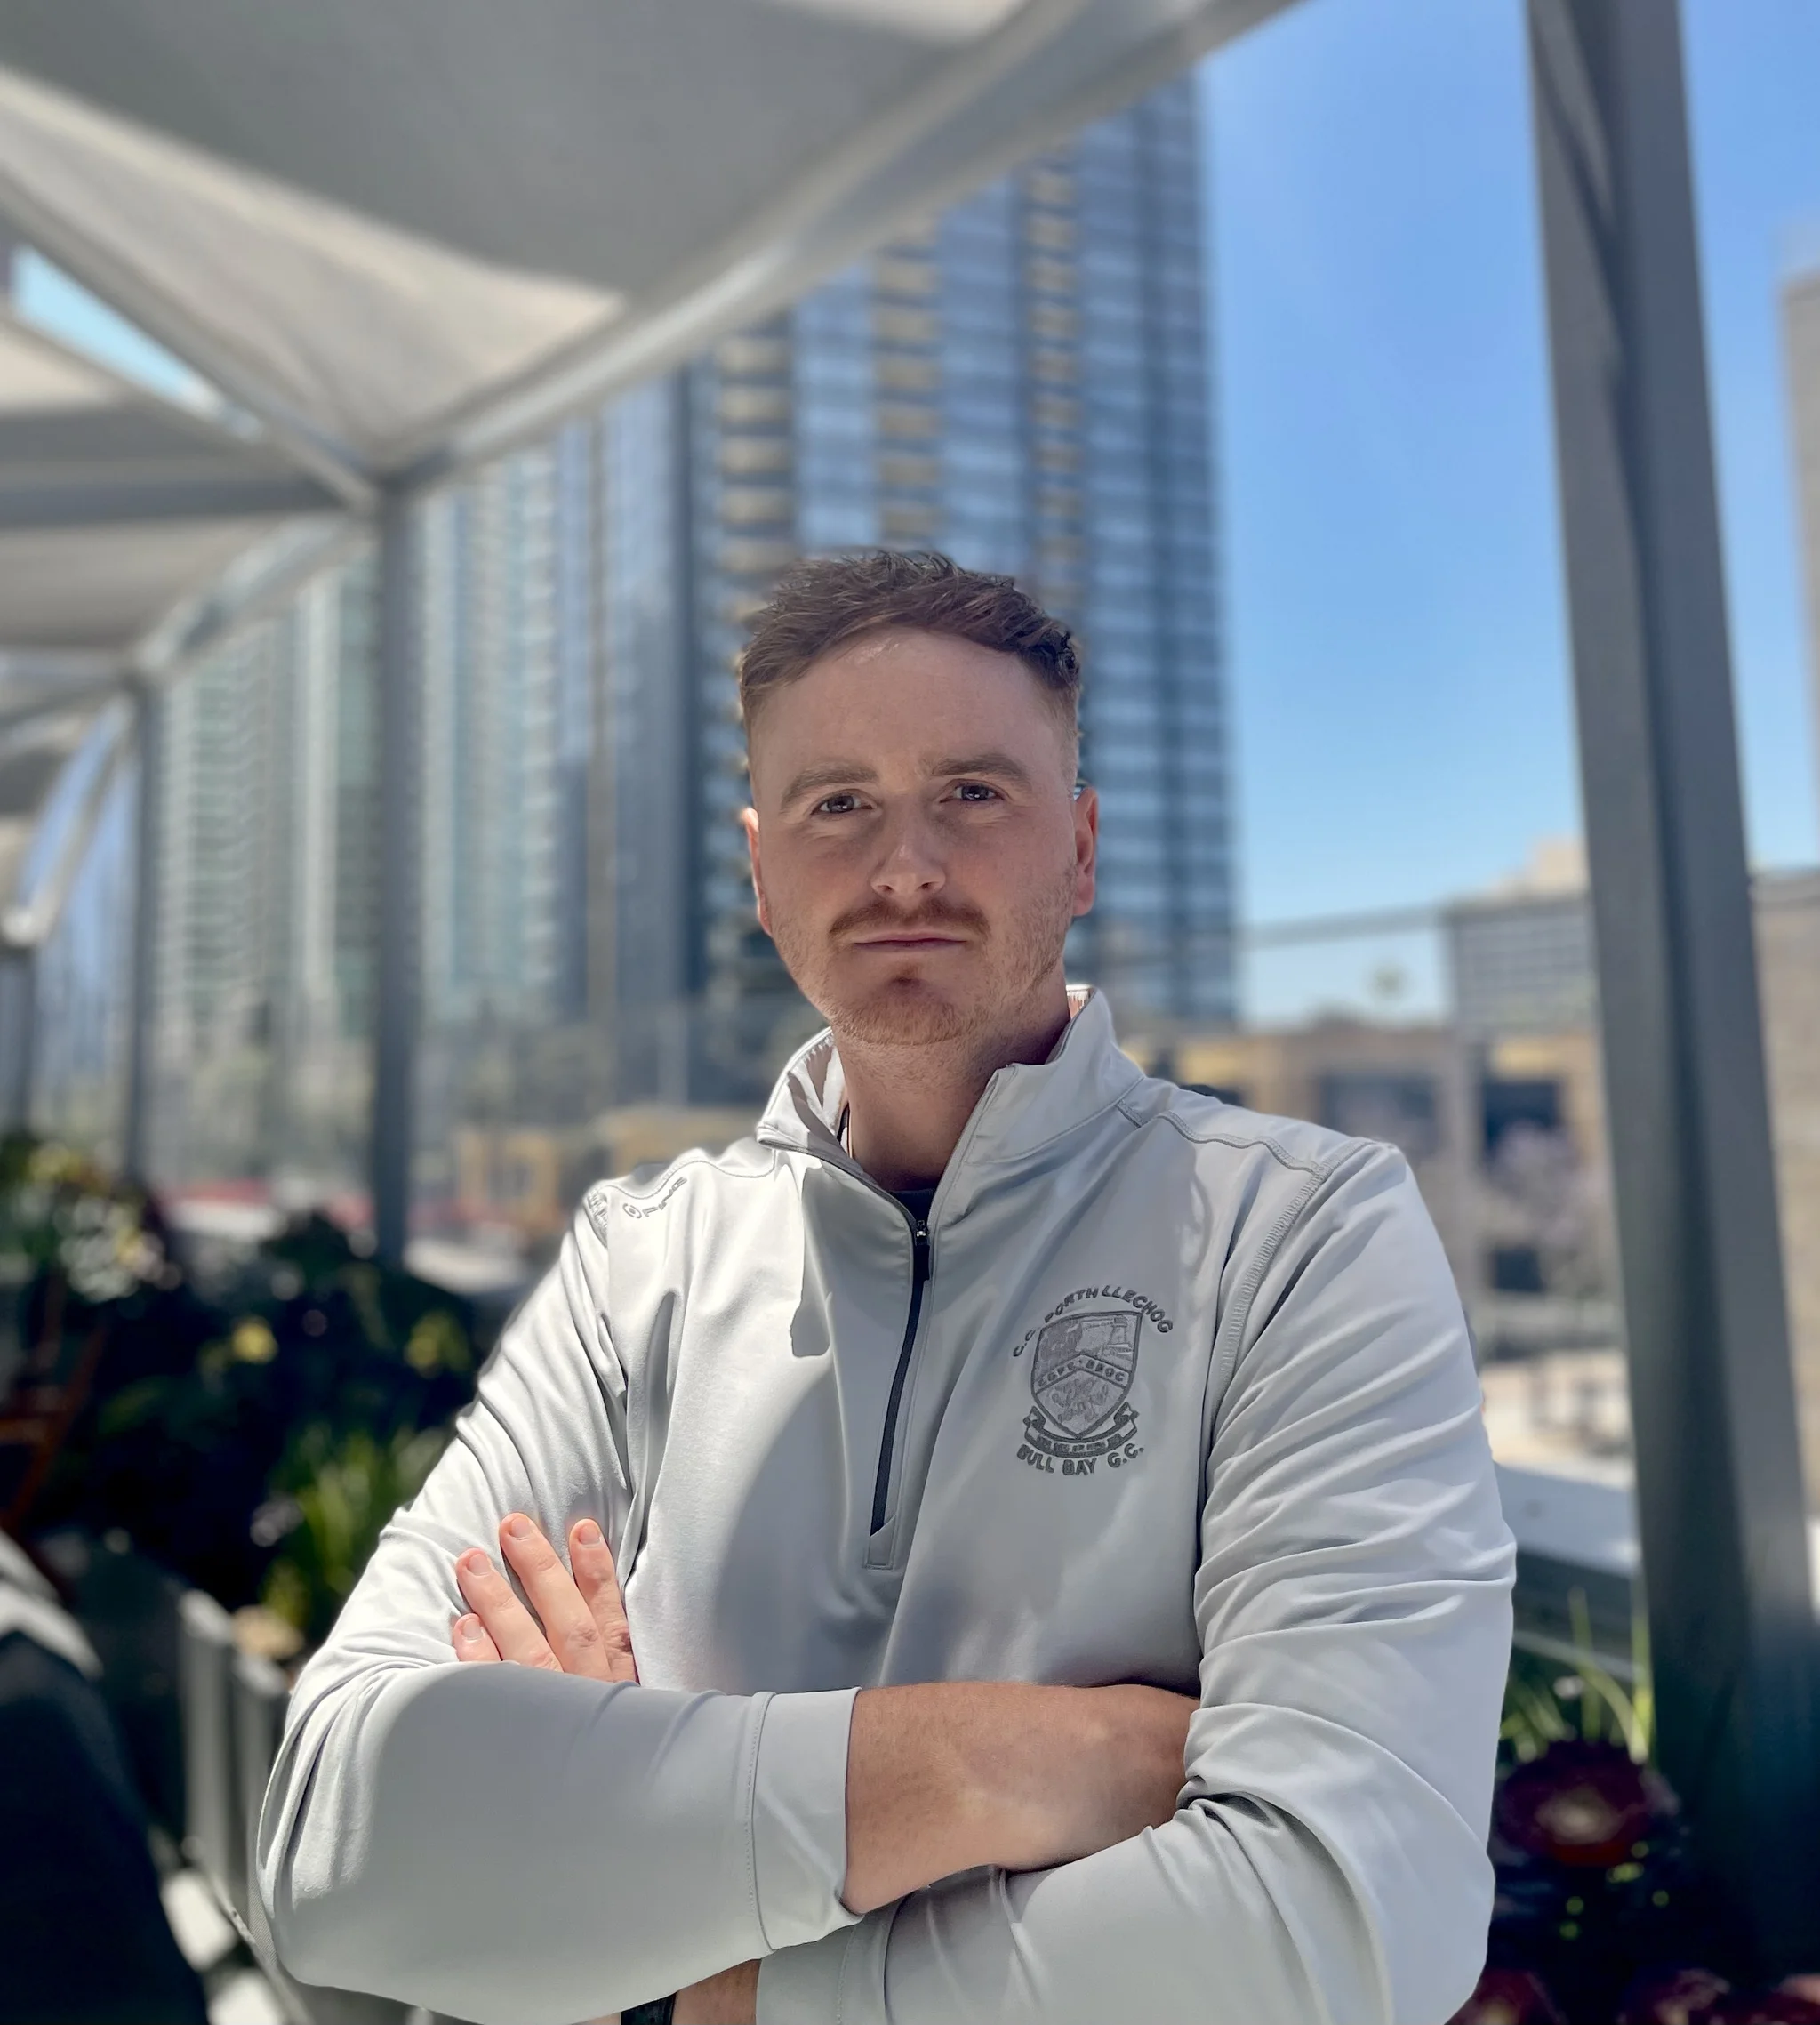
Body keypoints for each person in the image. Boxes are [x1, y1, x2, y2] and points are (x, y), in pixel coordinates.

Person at [258, 551, 1515, 2025]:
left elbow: (1348, 1924)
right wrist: (1011, 1763)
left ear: (1080, 851)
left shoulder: (1297, 1235)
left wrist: (695, 1968)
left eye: (972, 793)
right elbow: (334, 1845)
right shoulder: (635, 1265)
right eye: (837, 804)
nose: (905, 866)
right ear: (759, 872)